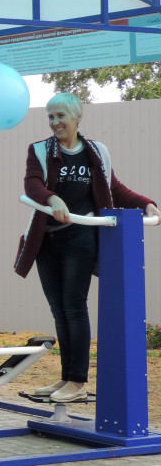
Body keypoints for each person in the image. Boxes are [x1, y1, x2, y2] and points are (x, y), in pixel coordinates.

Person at [14, 93, 158, 403]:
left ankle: (78, 381)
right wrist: (53, 198)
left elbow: (114, 189)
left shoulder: (96, 152)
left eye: (61, 116)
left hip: (80, 237)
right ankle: (67, 376)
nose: (55, 122)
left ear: (77, 117)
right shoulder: (39, 150)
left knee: (74, 306)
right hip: (46, 239)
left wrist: (146, 203)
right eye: (50, 116)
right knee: (59, 310)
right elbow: (32, 185)